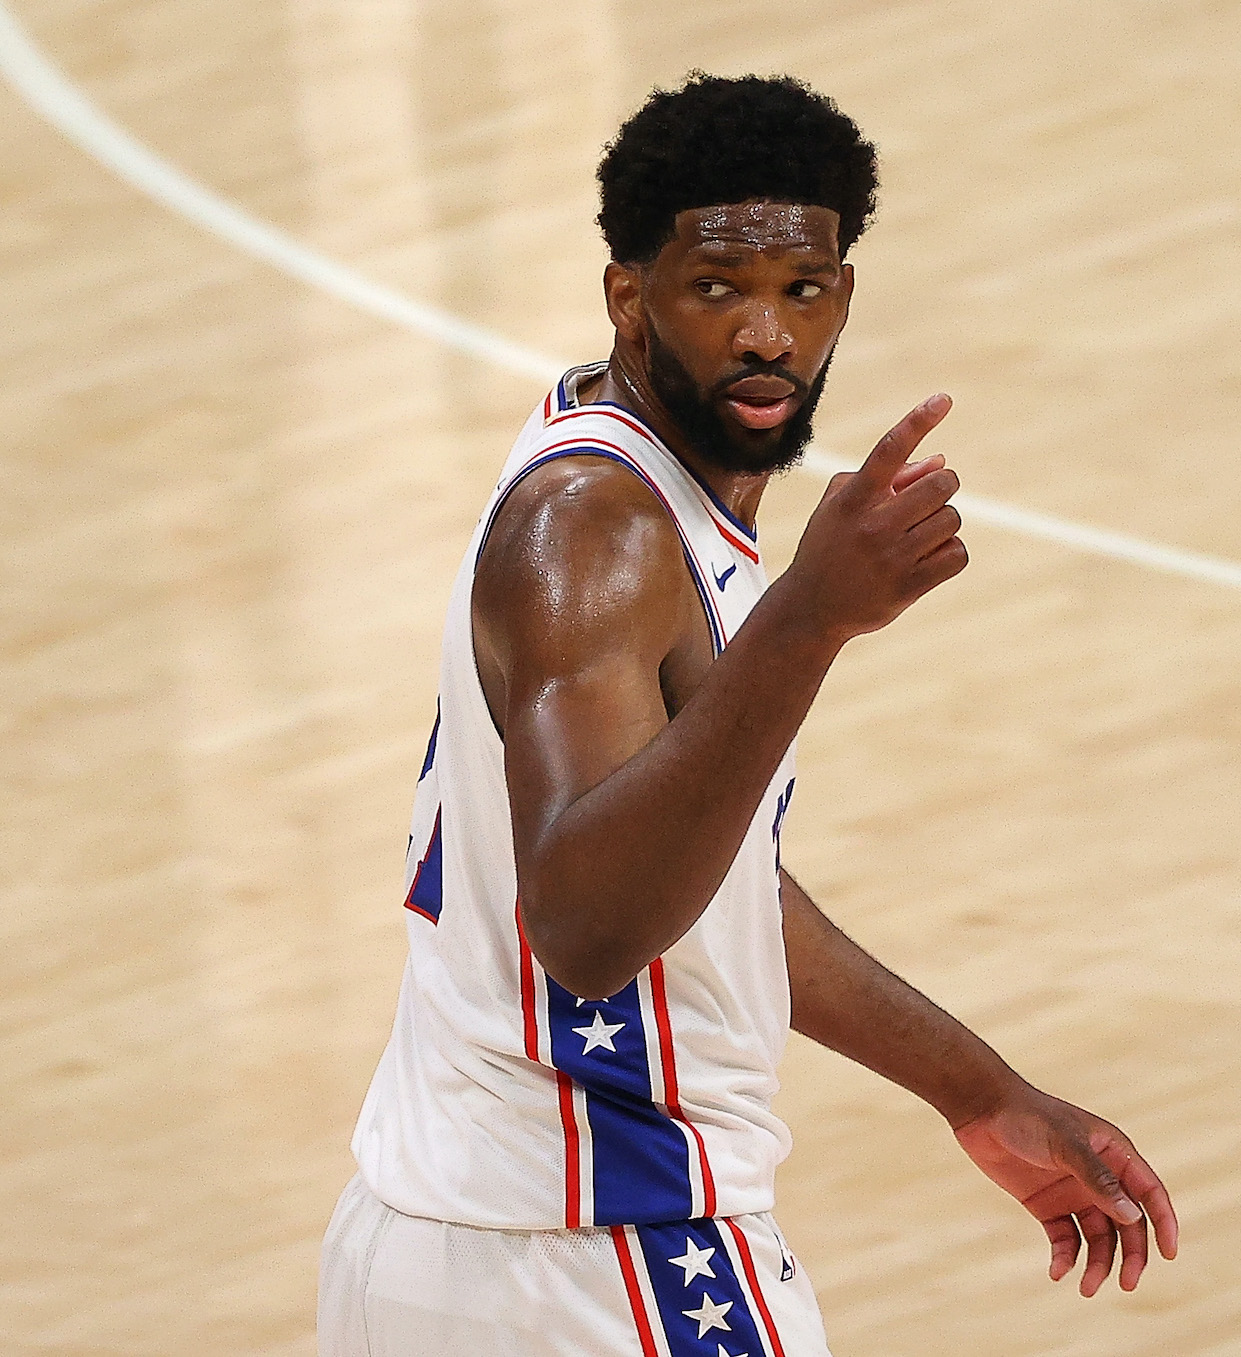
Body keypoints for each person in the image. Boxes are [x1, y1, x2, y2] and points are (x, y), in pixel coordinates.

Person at [318, 73, 1178, 1356]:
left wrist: (978, 1091)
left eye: (802, 290)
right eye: (716, 289)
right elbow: (590, 926)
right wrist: (809, 620)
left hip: (435, 1237)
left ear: (844, 295)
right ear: (629, 296)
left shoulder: (609, 466)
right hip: (606, 1265)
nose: (766, 335)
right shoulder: (594, 533)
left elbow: (708, 877)